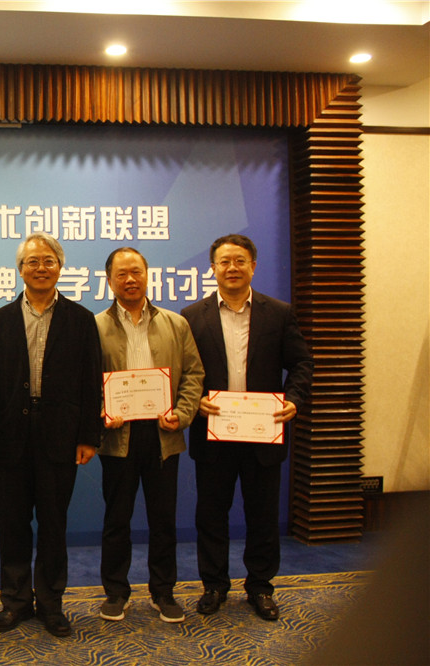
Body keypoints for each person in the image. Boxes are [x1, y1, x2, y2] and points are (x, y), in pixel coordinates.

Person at [0, 233, 101, 637]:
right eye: (32, 261)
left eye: (48, 261)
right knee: (11, 524)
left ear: (60, 267)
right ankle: (14, 602)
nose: (40, 268)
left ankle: (50, 603)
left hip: (60, 436)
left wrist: (89, 436)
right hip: (8, 438)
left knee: (53, 524)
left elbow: (91, 381)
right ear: (20, 269)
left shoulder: (81, 320)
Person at [181, 234, 312, 621]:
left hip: (263, 433)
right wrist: (194, 399)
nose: (232, 268)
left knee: (263, 516)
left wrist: (294, 399)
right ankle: (214, 585)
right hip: (213, 432)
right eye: (224, 262)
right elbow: (182, 370)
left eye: (240, 260)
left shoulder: (279, 313)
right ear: (213, 269)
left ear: (253, 266)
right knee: (211, 515)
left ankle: (260, 587)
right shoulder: (192, 316)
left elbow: (301, 363)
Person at [95, 247, 204, 624]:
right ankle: (116, 592)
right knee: (116, 520)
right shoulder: (95, 326)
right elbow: (84, 381)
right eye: (122, 274)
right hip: (118, 437)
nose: (130, 279)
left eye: (136, 272)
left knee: (163, 520)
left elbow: (194, 374)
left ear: (147, 275)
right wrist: (102, 413)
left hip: (163, 434)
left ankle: (163, 591)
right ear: (109, 280)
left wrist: (183, 414)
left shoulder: (176, 323)